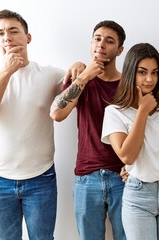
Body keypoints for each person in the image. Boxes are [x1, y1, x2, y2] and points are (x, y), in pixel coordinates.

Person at [0, 9, 81, 239]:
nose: (7, 37)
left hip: (40, 179)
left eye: (13, 31)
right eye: (0, 33)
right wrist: (8, 70)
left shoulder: (48, 74)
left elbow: (76, 86)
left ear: (28, 37)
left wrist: (79, 65)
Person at [50, 20, 126, 240]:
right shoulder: (80, 81)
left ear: (119, 50)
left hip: (122, 177)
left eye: (109, 41)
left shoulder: (129, 85)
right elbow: (57, 113)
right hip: (86, 177)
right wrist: (84, 76)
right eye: (97, 39)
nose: (101, 45)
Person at [101, 43, 159, 240]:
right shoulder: (114, 112)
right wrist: (142, 112)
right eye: (142, 72)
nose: (149, 79)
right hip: (138, 194)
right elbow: (127, 155)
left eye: (155, 73)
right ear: (131, 72)